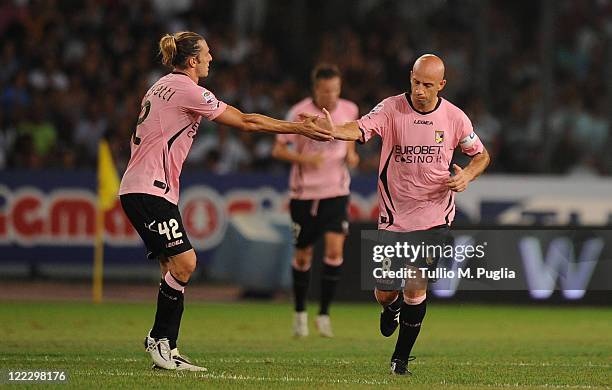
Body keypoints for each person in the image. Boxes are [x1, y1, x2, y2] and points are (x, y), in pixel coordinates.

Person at [118, 31, 332, 372]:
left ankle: (165, 345)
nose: (211, 59)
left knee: (172, 267)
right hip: (149, 188)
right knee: (186, 263)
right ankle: (161, 342)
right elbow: (247, 122)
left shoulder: (159, 85)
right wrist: (299, 129)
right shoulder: (189, 90)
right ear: (192, 60)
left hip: (147, 186)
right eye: (206, 54)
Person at [303, 54, 490, 375]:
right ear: (410, 78)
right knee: (386, 290)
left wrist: (466, 176)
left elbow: (481, 155)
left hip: (436, 214)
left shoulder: (456, 118)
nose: (419, 90)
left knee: (416, 285)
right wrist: (333, 130)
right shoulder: (390, 109)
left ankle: (399, 361)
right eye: (416, 82)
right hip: (395, 215)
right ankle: (390, 307)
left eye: (427, 85)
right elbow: (359, 128)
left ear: (441, 86)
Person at [271, 64, 359, 338]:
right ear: (315, 90)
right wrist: (305, 159)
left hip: (336, 192)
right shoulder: (298, 113)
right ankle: (299, 313)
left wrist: (353, 157)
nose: (331, 96)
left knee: (334, 252)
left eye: (335, 90)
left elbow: (350, 145)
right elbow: (278, 150)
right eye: (326, 91)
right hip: (304, 194)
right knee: (303, 254)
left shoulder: (350, 109)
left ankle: (323, 314)